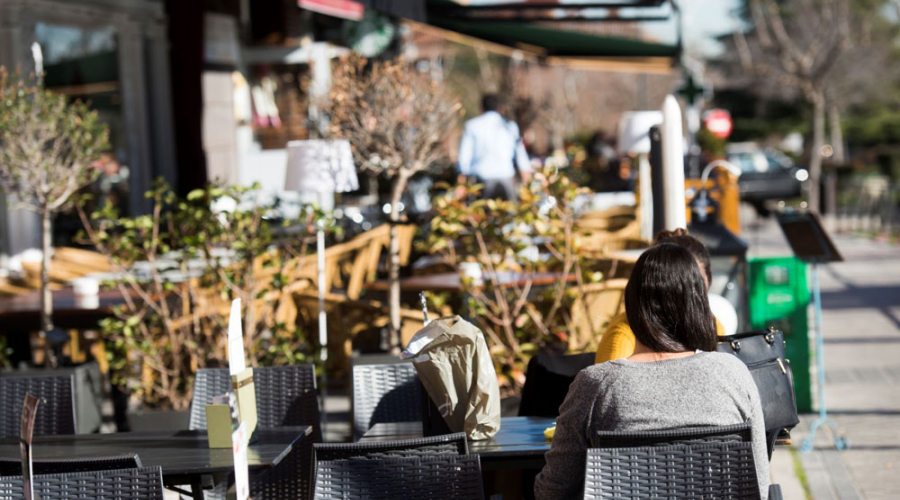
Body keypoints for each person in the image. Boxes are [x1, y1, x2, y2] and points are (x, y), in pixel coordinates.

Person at [535, 244, 769, 499]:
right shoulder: (733, 373)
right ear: (700, 305)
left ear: (632, 307)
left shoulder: (598, 384)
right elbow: (759, 481)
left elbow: (552, 491)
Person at [595, 228, 726, 364]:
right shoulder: (623, 337)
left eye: (693, 282)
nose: (683, 290)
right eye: (672, 282)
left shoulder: (714, 325)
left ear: (708, 282)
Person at [457, 94, 532, 201]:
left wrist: (462, 183)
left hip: (481, 180)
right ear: (499, 108)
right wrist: (527, 181)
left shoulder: (471, 126)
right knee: (509, 215)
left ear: (481, 108)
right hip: (506, 178)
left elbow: (464, 158)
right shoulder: (510, 126)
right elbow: (521, 156)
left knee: (482, 215)